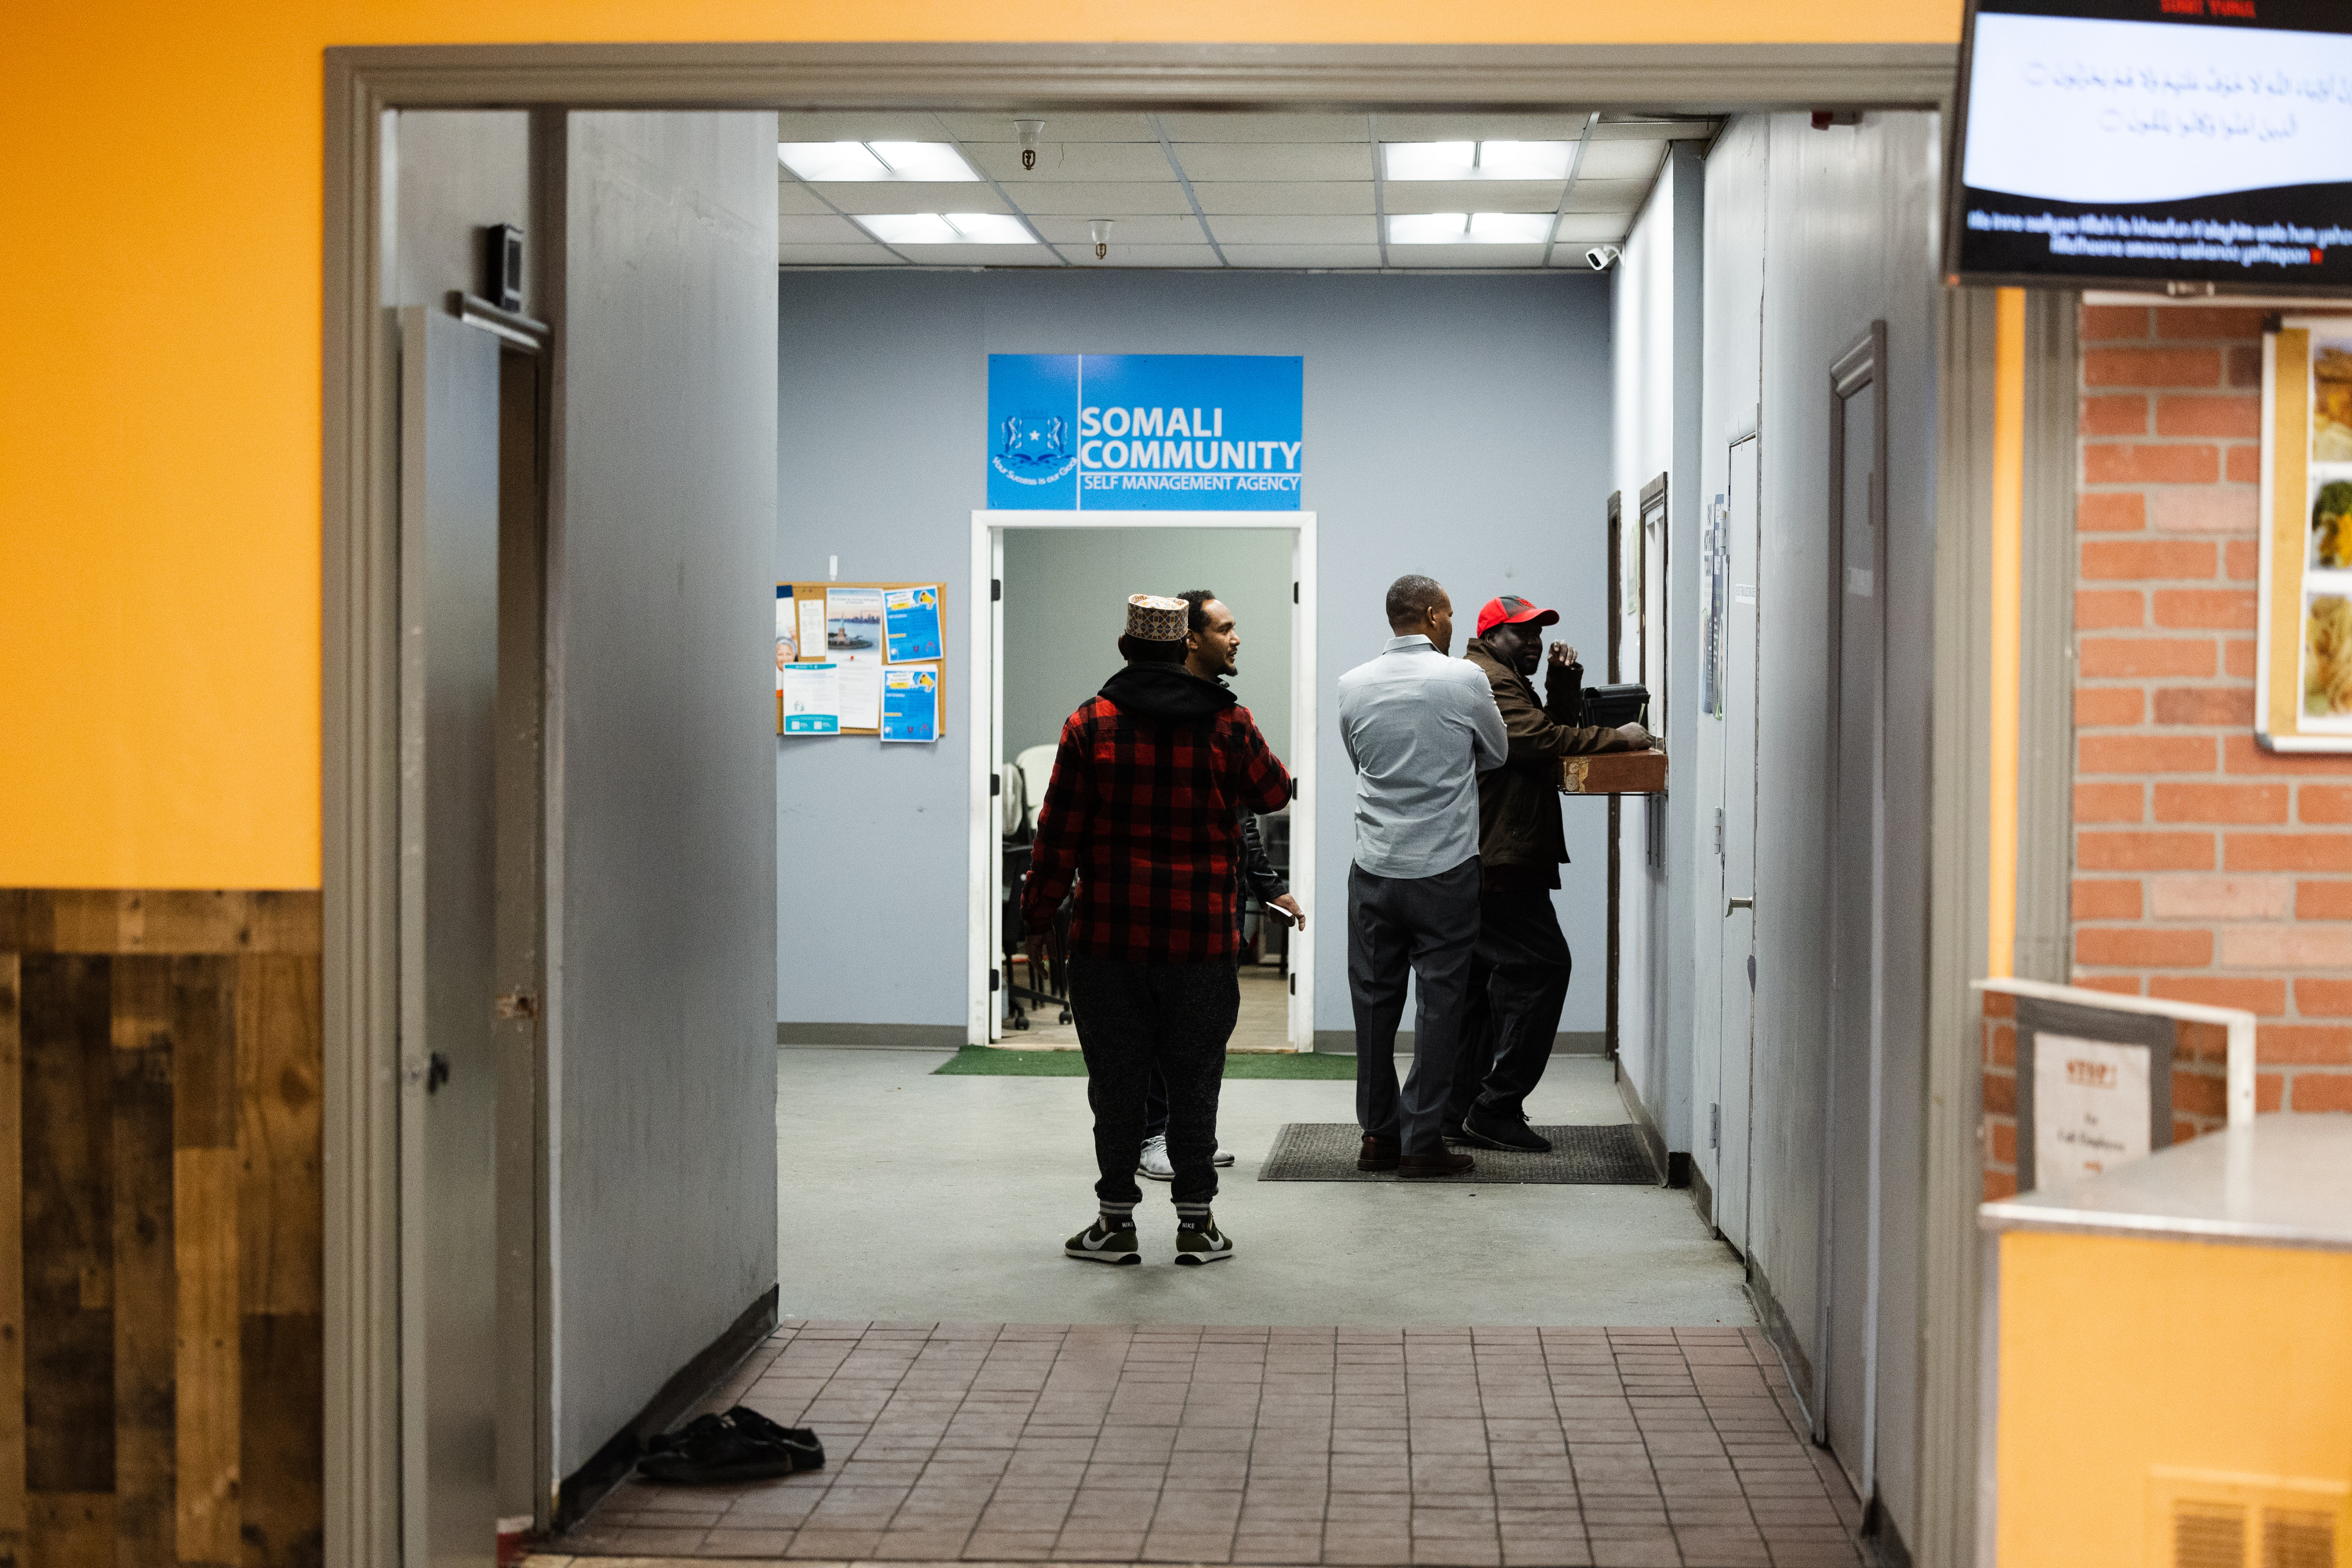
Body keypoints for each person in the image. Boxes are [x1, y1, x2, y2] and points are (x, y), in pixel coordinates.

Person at [1024, 593, 1293, 1265]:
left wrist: (1035, 917)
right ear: (1182, 649)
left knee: (1115, 1085)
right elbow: (1275, 793)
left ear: (1126, 648)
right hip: (1201, 943)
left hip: (1108, 943)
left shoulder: (1090, 723)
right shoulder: (1230, 723)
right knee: (1195, 1082)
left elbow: (1057, 836)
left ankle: (1114, 1224)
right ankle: (1197, 1225)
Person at [1446, 596, 1652, 1152]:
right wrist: (1620, 738)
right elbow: (1534, 742)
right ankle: (1495, 1106)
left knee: (1480, 985)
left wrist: (1563, 683)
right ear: (1490, 635)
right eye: (1522, 634)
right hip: (1502, 851)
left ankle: (1458, 1107)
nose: (1534, 642)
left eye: (1539, 633)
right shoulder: (1489, 677)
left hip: (1494, 849)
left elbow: (1546, 728)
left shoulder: (1502, 673)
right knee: (1543, 967)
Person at [1335, 575, 1506, 1179]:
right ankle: (1422, 1142)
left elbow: (1360, 761)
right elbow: (1496, 753)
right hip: (1445, 869)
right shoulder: (1465, 680)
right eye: (1451, 613)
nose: (1453, 623)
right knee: (1440, 1009)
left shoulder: (1352, 685)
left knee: (1374, 1007)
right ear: (1433, 615)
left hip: (1376, 867)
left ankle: (1378, 1137)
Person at [1137, 589, 1305, 1182]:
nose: (1237, 638)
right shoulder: (1143, 716)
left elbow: (1242, 816)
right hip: (1159, 906)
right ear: (1190, 638)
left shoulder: (1225, 716)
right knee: (1159, 1030)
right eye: (1226, 628)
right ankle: (1154, 1136)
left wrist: (1269, 888)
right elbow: (1274, 791)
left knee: (1200, 1034)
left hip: (1214, 906)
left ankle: (1184, 1136)